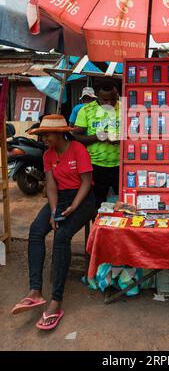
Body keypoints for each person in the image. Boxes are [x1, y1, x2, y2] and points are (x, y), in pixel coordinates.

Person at [11, 115, 95, 330]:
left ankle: (56, 302)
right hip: (60, 197)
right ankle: (35, 291)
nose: (44, 139)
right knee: (36, 230)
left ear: (59, 134)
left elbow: (86, 183)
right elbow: (50, 185)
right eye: (42, 135)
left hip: (83, 199)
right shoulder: (48, 154)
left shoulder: (78, 149)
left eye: (46, 135)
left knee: (61, 237)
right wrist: (54, 210)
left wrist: (74, 207)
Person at [74, 81, 121, 210]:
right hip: (96, 166)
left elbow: (135, 136)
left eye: (113, 99)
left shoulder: (125, 109)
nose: (110, 103)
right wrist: (98, 137)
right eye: (105, 100)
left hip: (121, 166)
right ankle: (98, 229)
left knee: (123, 204)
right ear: (97, 97)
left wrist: (120, 138)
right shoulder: (86, 110)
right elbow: (76, 137)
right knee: (97, 206)